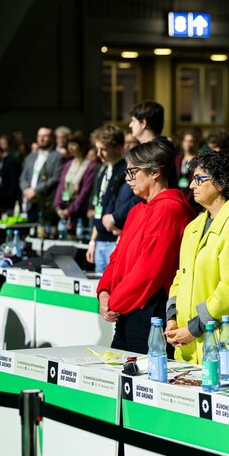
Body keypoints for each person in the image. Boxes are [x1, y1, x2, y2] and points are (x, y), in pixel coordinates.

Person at [96, 140, 195, 353]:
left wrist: (115, 301)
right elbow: (117, 256)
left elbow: (149, 270)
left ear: (155, 172)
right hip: (130, 307)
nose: (127, 178)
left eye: (132, 172)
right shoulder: (138, 209)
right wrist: (104, 292)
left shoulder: (169, 209)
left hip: (151, 310)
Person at [165, 151, 229, 367]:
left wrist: (192, 328)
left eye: (199, 179)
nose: (192, 186)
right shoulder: (193, 226)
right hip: (189, 347)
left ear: (221, 183)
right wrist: (172, 318)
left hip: (223, 349)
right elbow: (179, 278)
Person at [86, 125, 140, 274]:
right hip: (100, 240)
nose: (99, 154)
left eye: (103, 149)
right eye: (97, 149)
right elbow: (99, 205)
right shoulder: (101, 169)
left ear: (117, 148)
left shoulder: (125, 170)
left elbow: (131, 204)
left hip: (115, 240)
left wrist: (116, 223)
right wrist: (92, 241)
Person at [19, 126, 65, 223]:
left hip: (46, 202)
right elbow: (23, 177)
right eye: (39, 136)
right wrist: (26, 191)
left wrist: (35, 191)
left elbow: (55, 179)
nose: (41, 138)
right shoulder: (31, 156)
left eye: (45, 136)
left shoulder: (58, 157)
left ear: (51, 138)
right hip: (29, 202)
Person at [53, 132, 98, 227]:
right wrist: (57, 206)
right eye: (69, 144)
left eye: (74, 144)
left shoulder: (91, 166)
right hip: (64, 208)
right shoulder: (68, 164)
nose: (70, 147)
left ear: (82, 146)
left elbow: (85, 192)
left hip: (79, 213)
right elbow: (61, 185)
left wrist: (70, 210)